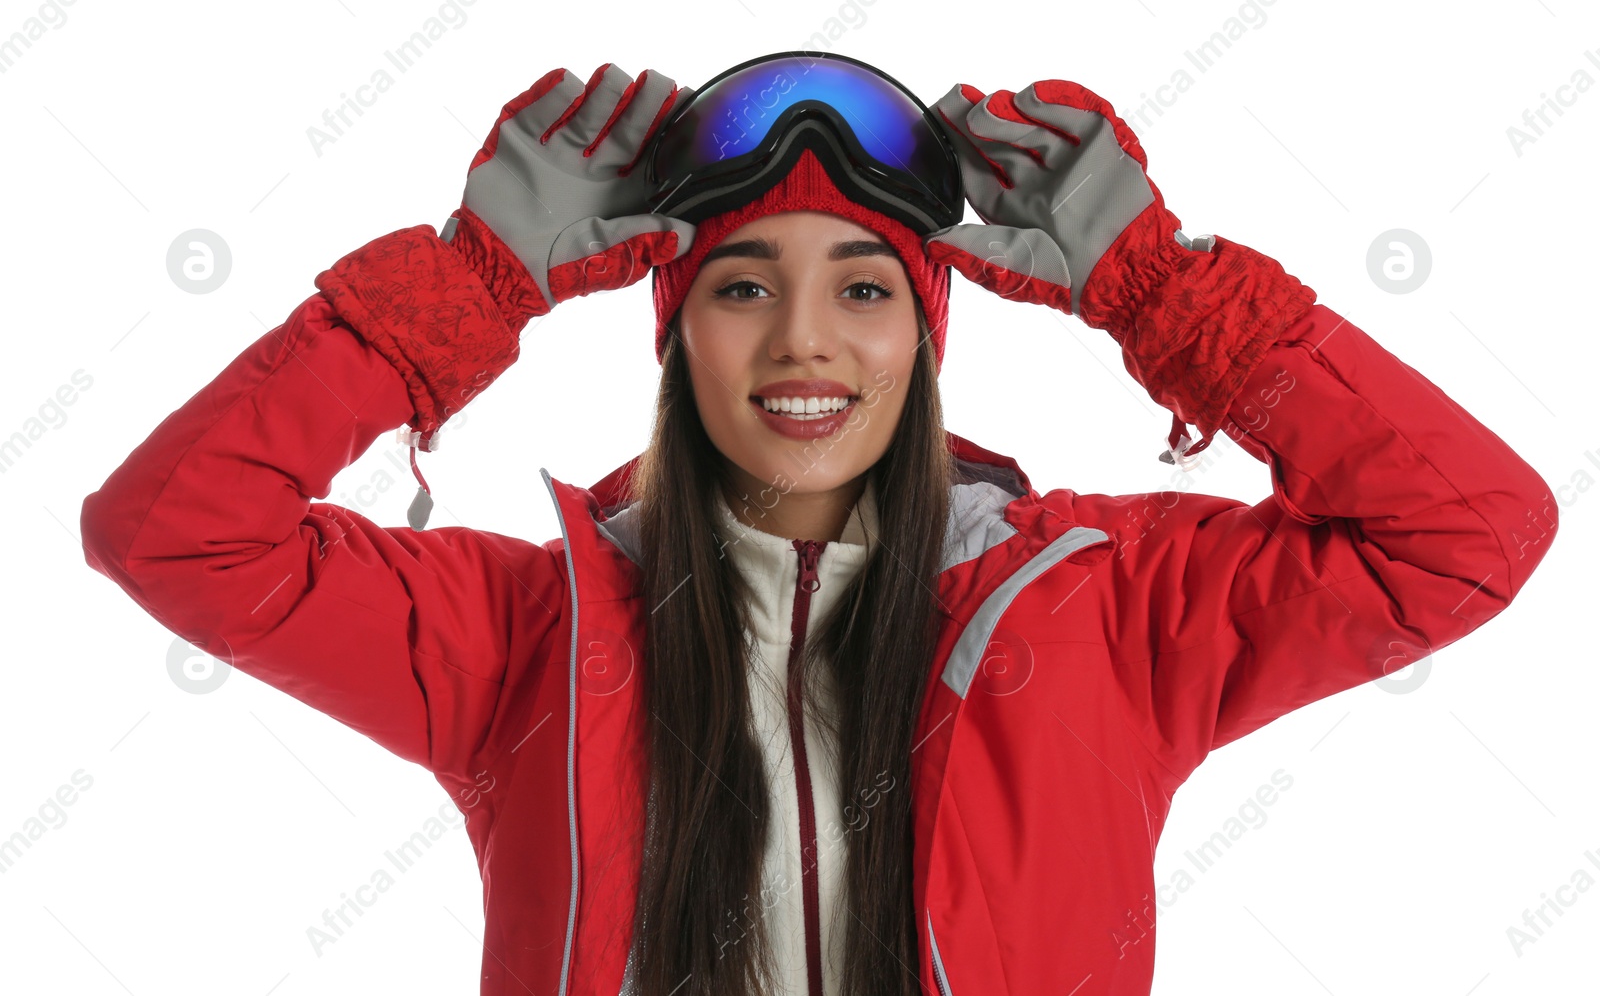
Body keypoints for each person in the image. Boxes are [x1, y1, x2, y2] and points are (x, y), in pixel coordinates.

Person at [79, 52, 1559, 996]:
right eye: (740, 288)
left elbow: (1468, 528)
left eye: (864, 288)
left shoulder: (1103, 609)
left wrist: (1167, 296)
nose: (804, 343)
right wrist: (471, 284)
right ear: (672, 334)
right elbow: (175, 531)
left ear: (924, 334)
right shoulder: (525, 636)